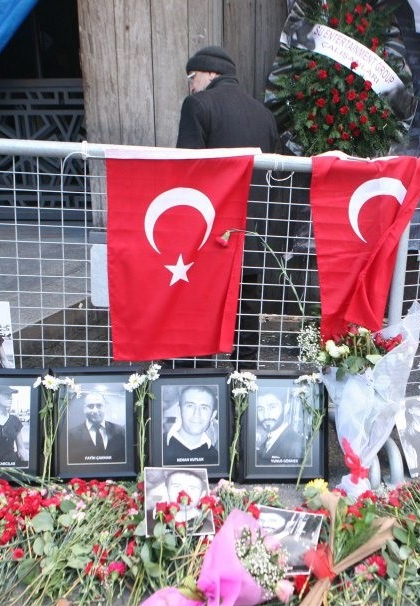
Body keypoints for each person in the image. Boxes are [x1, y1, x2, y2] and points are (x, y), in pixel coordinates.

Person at [177, 46, 281, 362]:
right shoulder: (264, 114)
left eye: (191, 78)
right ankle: (243, 388)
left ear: (209, 73)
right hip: (251, 232)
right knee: (246, 315)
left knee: (201, 310)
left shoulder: (197, 105)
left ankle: (200, 382)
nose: (191, 85)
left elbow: (187, 170)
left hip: (211, 233)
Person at [66, 391, 126, 465]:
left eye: (99, 406)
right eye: (90, 406)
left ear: (105, 407)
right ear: (84, 409)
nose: (95, 410)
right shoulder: (71, 435)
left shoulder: (120, 431)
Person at [164, 385, 219, 465]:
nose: (196, 414)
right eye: (190, 406)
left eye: (204, 408)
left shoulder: (215, 457)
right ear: (179, 411)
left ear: (213, 416)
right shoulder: (159, 449)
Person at [254, 388, 305, 465]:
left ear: (286, 408)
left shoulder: (295, 445)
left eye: (272, 407)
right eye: (260, 409)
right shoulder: (267, 438)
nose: (266, 415)